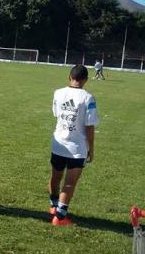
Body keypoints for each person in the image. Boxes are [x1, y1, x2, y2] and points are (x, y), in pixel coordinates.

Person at [48, 64, 99, 226]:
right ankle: (60, 217)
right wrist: (91, 148)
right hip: (76, 148)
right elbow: (89, 126)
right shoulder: (88, 98)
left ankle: (53, 206)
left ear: (69, 77)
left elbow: (57, 114)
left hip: (58, 144)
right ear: (85, 80)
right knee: (70, 182)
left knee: (55, 177)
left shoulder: (58, 93)